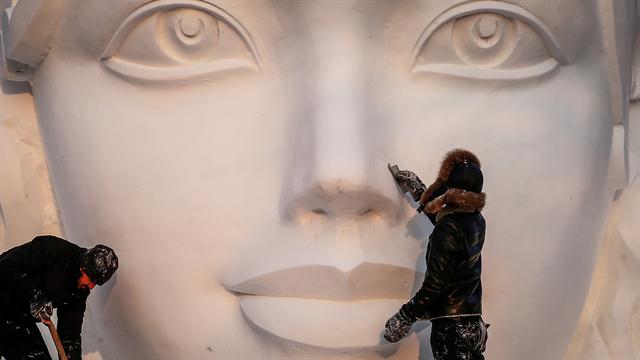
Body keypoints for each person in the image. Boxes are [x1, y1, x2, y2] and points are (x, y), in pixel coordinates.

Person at [0, 1, 638, 359]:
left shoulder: (450, 237)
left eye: (486, 36)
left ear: (618, 141)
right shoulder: (466, 219)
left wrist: (402, 320)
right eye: (185, 33)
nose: (341, 174)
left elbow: (436, 282)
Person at [384, 149, 488, 359]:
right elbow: (450, 223)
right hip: (473, 324)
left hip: (452, 330)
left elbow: (435, 285)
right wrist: (420, 193)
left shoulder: (448, 229)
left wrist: (404, 317)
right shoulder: (477, 221)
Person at [0, 235, 118, 360]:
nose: (91, 286)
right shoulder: (53, 249)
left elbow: (70, 331)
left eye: (96, 283)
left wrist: (72, 355)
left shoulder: (80, 289)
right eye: (90, 280)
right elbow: (7, 265)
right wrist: (36, 296)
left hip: (19, 318)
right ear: (83, 267)